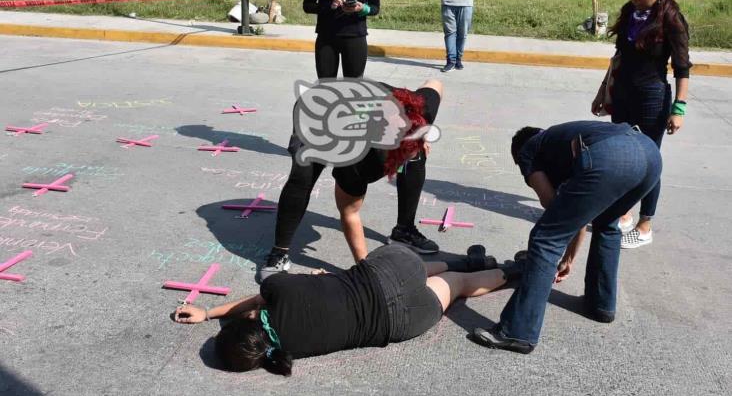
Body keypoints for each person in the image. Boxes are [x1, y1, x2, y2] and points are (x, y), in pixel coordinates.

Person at [173, 244, 522, 375]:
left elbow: (260, 311)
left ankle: (515, 272)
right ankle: (464, 259)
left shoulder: (288, 351)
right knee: (419, 266)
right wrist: (211, 312)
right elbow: (258, 300)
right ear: (247, 321)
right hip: (387, 273)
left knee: (458, 286)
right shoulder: (278, 290)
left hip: (401, 322)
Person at [472, 120, 662, 354]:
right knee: (607, 225)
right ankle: (600, 305)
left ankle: (517, 332)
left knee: (545, 238)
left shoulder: (528, 150)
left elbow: (555, 210)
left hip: (610, 158)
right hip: (649, 154)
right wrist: (569, 258)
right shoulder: (559, 142)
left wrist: (563, 255)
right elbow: (576, 213)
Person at [257, 79, 444, 282]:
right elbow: (349, 212)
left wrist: (421, 133)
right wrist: (367, 272)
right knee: (303, 175)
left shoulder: (419, 106)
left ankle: (404, 230)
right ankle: (279, 253)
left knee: (417, 156)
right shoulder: (356, 157)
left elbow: (436, 84)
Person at [591, 0, 691, 249]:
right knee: (622, 157)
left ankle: (645, 224)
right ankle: (623, 213)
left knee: (648, 162)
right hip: (622, 95)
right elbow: (618, 58)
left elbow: (683, 69)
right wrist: (603, 92)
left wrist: (679, 109)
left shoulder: (671, 20)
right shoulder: (629, 14)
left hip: (652, 99)